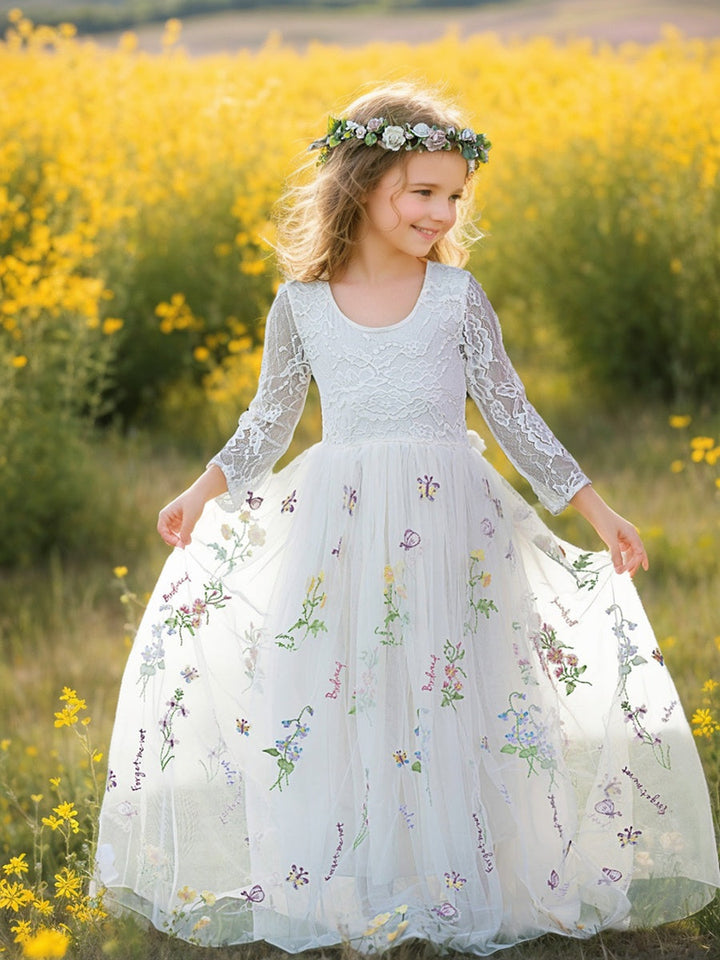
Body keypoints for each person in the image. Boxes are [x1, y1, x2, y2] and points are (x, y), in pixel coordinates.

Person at [96, 84, 719, 954]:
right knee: (353, 691)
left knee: (458, 686)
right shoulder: (302, 306)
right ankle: (360, 873)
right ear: (363, 183)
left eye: (454, 196)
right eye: (423, 191)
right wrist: (202, 490)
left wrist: (596, 509)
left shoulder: (456, 299)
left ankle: (467, 872)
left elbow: (513, 415)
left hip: (451, 527)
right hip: (341, 530)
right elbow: (268, 421)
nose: (442, 212)